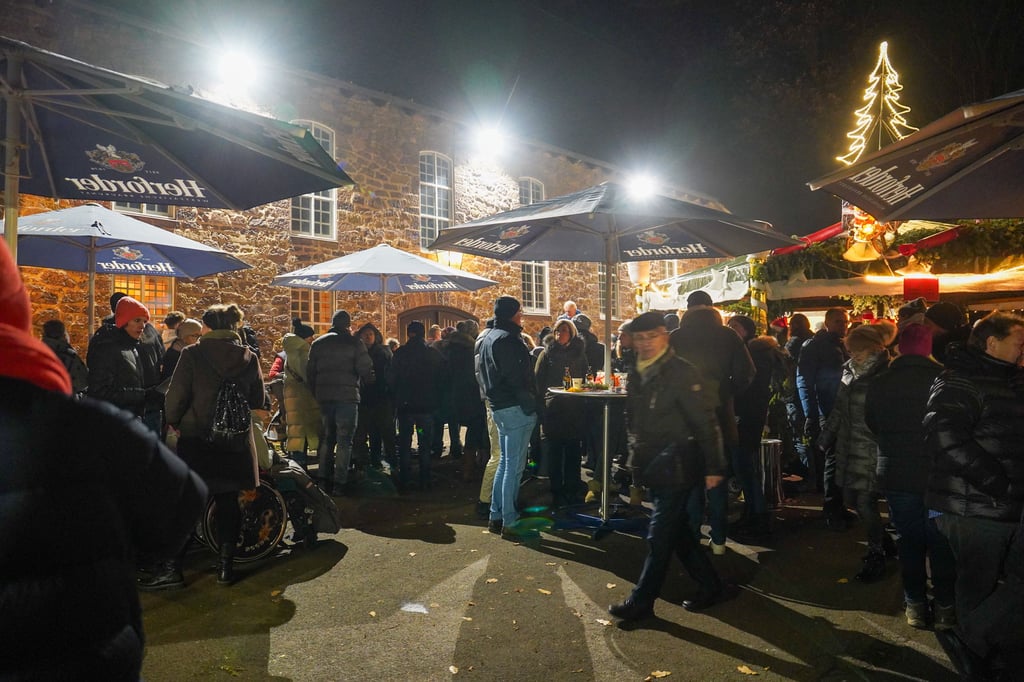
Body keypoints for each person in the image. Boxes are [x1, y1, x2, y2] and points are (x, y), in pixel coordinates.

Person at [0, 240, 207, 680]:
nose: (143, 327)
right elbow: (177, 507)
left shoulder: (141, 349)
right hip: (87, 653)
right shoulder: (86, 427)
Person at [608, 311, 727, 622]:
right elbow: (634, 421)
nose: (647, 343)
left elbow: (705, 421)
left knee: (659, 536)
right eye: (641, 338)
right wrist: (635, 459)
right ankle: (711, 584)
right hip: (653, 463)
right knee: (678, 533)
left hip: (678, 461)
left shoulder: (682, 372)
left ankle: (642, 602)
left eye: (653, 336)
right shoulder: (637, 370)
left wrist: (714, 466)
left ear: (665, 336)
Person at [924, 311, 1024, 678]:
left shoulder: (1010, 378)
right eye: (1019, 342)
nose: (1023, 349)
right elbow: (944, 436)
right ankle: (975, 653)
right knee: (977, 585)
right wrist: (999, 484)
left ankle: (980, 645)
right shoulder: (960, 380)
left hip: (1006, 504)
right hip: (976, 505)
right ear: (992, 343)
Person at [158, 303, 265, 588]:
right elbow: (258, 399)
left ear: (207, 327)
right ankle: (225, 568)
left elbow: (176, 397)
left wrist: (173, 421)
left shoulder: (193, 354)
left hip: (198, 439)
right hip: (234, 441)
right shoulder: (248, 356)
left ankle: (172, 569)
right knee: (228, 502)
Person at [865, 323, 956, 630]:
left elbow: (872, 422)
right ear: (928, 347)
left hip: (898, 474)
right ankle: (945, 606)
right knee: (940, 539)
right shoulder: (945, 379)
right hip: (938, 476)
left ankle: (915, 603)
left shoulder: (881, 381)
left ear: (900, 347)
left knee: (909, 539)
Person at [669, 290, 754, 553]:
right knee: (716, 475)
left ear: (688, 308)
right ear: (711, 306)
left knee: (691, 479)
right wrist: (727, 391)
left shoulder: (675, 337)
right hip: (718, 414)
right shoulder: (728, 335)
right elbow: (747, 372)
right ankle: (718, 539)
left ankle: (693, 535)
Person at [818, 323, 893, 581]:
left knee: (864, 501)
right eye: (851, 350)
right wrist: (825, 438)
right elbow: (839, 409)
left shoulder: (884, 374)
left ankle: (876, 552)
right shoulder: (849, 371)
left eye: (859, 350)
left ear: (874, 348)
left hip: (872, 448)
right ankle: (883, 540)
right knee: (851, 499)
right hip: (848, 446)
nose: (854, 355)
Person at [477, 296, 540, 537]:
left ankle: (496, 514)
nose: (522, 315)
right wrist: (530, 404)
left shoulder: (489, 336)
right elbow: (517, 378)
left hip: (499, 406)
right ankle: (509, 520)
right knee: (513, 466)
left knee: (505, 463)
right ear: (513, 313)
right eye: (519, 311)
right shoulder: (507, 339)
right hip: (514, 407)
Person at [728, 314, 787, 538]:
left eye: (735, 326)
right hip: (750, 415)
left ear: (747, 330)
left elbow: (751, 387)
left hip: (747, 416)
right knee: (744, 465)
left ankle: (758, 516)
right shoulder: (754, 351)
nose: (731, 330)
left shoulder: (755, 353)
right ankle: (752, 512)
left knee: (743, 464)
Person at [307, 310, 374, 494]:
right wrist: (370, 381)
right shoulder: (354, 343)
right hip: (347, 398)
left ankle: (323, 480)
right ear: (348, 325)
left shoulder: (318, 343)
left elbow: (310, 372)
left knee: (327, 439)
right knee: (345, 441)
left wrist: (317, 392)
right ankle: (340, 482)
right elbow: (365, 368)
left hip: (325, 397)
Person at [796, 306, 850, 529]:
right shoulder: (815, 345)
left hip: (839, 408)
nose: (843, 325)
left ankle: (837, 506)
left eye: (845, 321)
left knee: (838, 458)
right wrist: (811, 414)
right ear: (827, 323)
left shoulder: (840, 345)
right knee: (833, 458)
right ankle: (831, 509)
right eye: (839, 321)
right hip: (826, 410)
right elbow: (804, 381)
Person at [92, 291, 165, 433]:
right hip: (117, 419)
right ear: (123, 321)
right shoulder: (107, 346)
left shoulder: (132, 345)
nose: (143, 326)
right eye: (137, 320)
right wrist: (143, 394)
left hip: (139, 413)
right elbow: (100, 390)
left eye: (144, 321)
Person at [534, 318, 589, 507]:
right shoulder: (547, 354)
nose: (559, 334)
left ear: (571, 333)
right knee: (555, 451)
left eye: (564, 330)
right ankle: (556, 490)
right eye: (557, 331)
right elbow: (538, 381)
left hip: (574, 408)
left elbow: (585, 377)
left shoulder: (579, 354)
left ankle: (572, 488)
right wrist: (541, 406)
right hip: (553, 408)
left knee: (573, 451)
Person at [390, 321, 445, 490]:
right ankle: (425, 479)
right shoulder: (432, 354)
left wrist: (396, 397)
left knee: (405, 443)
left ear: (409, 334)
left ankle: (405, 479)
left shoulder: (400, 353)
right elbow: (443, 377)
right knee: (424, 443)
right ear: (423, 334)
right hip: (425, 407)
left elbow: (392, 378)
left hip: (406, 407)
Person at [446, 320, 487, 481]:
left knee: (465, 427)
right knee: (476, 427)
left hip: (454, 395)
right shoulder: (471, 350)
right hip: (472, 395)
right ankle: (469, 467)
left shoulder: (449, 348)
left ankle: (466, 464)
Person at [354, 322, 396, 473]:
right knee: (366, 432)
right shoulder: (357, 353)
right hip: (363, 399)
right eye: (365, 334)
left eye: (371, 334)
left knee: (385, 431)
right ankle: (369, 462)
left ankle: (390, 461)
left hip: (381, 397)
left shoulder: (383, 352)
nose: (368, 337)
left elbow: (391, 373)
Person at [283, 318, 320, 471]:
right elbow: (307, 375)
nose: (313, 339)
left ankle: (296, 463)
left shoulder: (290, 350)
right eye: (311, 336)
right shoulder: (303, 352)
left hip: (291, 393)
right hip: (303, 395)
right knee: (305, 429)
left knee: (296, 429)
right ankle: (301, 466)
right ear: (305, 337)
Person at [41, 318, 89, 396]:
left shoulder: (36, 354)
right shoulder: (69, 356)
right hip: (64, 400)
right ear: (64, 335)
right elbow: (82, 382)